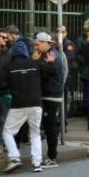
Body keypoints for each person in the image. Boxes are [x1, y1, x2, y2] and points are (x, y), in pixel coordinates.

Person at [0, 36, 56, 173]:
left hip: (18, 104)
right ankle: (37, 164)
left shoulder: (10, 67)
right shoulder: (35, 64)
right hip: (36, 104)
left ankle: (15, 157)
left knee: (8, 132)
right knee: (35, 134)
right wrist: (50, 63)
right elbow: (51, 72)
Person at [36, 32, 65, 168]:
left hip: (51, 94)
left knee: (50, 127)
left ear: (46, 43)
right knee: (48, 126)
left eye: (38, 44)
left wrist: (37, 63)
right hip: (48, 93)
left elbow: (50, 71)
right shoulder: (47, 55)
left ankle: (52, 157)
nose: (36, 46)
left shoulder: (52, 55)